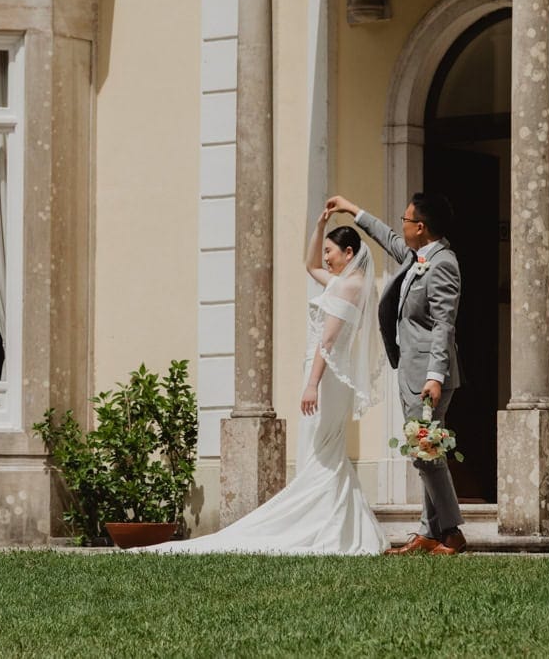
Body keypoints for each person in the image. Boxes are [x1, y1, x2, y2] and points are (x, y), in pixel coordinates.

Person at [133, 212, 388, 555]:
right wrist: (317, 228)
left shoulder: (348, 285)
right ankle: (331, 523)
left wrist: (311, 384)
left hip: (325, 377)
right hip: (326, 375)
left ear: (348, 251)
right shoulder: (345, 282)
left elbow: (327, 342)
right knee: (324, 453)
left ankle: (320, 526)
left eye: (331, 250)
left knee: (322, 455)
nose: (326, 257)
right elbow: (310, 266)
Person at [325, 192, 466, 556]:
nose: (400, 225)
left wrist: (435, 376)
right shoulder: (417, 257)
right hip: (410, 370)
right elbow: (387, 237)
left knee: (426, 452)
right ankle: (428, 531)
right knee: (423, 450)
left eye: (405, 220)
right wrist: (352, 209)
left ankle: (451, 532)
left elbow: (443, 326)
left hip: (428, 377)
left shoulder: (442, 264)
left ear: (420, 227)